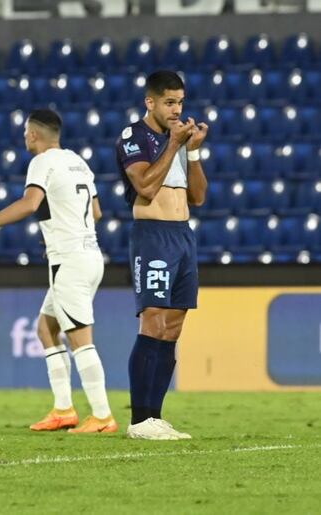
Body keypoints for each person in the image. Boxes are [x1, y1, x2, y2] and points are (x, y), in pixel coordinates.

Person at [0, 109, 117, 434]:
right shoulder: (78, 161)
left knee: (79, 338)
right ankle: (63, 409)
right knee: (46, 329)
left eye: (25, 133)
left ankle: (103, 416)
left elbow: (30, 203)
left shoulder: (42, 161)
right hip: (90, 256)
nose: (24, 138)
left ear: (33, 134)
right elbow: (97, 211)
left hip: (70, 260)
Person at [115, 70, 208, 440]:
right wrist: (173, 144)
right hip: (153, 236)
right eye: (169, 102)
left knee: (173, 326)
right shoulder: (134, 138)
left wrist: (194, 149)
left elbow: (198, 197)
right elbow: (146, 187)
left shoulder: (181, 140)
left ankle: (155, 416)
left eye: (180, 102)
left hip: (183, 236)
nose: (177, 109)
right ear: (149, 102)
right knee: (152, 320)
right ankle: (139, 420)